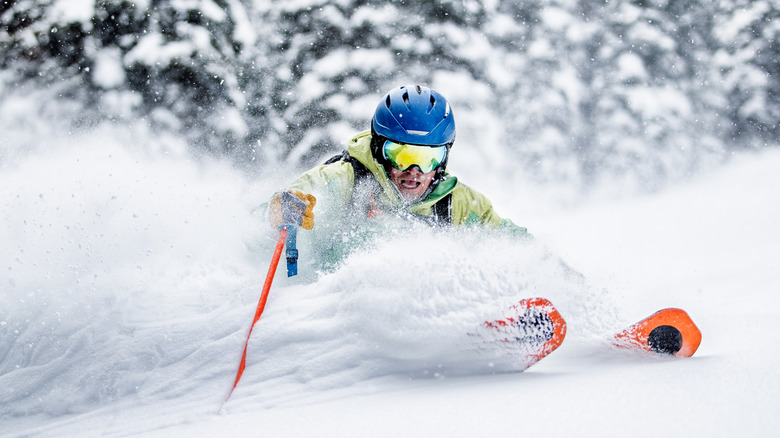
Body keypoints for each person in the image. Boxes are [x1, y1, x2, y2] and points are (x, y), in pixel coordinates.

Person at [267, 84, 529, 267]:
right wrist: (278, 213)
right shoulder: (340, 181)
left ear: (444, 159)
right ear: (380, 150)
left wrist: (560, 278)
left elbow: (514, 244)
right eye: (402, 155)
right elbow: (263, 223)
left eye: (428, 159)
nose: (414, 171)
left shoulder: (457, 204)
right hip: (337, 309)